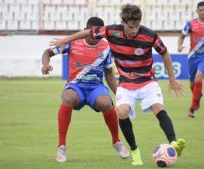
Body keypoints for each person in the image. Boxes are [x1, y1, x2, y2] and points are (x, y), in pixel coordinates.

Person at [49, 4, 186, 166]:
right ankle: (134, 150)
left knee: (158, 107)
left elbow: (165, 53)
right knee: (121, 111)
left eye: (136, 26)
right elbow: (88, 32)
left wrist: (172, 78)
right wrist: (66, 39)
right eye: (130, 27)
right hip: (126, 82)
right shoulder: (111, 31)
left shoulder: (150, 36)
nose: (134, 30)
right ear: (122, 22)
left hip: (147, 81)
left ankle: (174, 142)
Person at [41, 17, 129, 163]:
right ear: (85, 31)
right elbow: (47, 53)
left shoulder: (106, 47)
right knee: (68, 98)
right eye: (91, 33)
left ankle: (116, 142)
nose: (95, 38)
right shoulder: (72, 43)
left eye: (98, 35)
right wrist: (45, 65)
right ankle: (61, 146)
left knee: (106, 103)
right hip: (76, 86)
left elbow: (109, 75)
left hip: (96, 87)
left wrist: (121, 97)